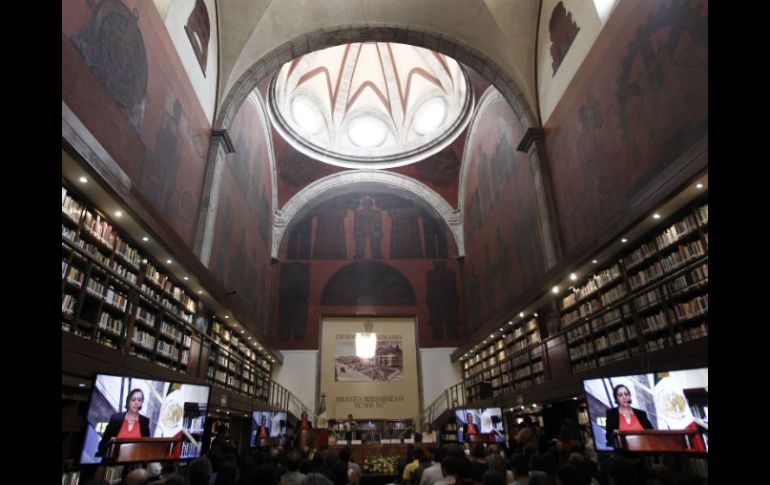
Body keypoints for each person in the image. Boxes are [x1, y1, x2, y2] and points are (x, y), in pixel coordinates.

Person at [97, 389, 151, 459]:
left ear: (141, 403)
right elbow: (104, 442)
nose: (136, 402)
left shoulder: (145, 421)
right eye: (133, 399)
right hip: (113, 460)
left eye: (139, 400)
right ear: (128, 401)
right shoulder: (116, 418)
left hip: (134, 462)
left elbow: (146, 446)